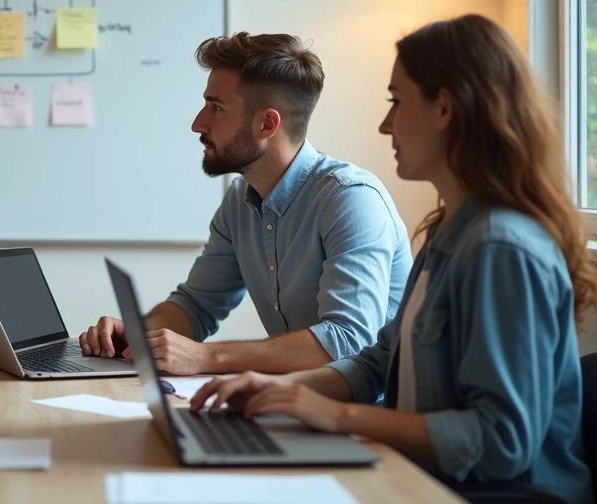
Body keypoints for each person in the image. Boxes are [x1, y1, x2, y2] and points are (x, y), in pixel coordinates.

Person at [190, 15, 595, 503]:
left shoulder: (500, 249)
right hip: (423, 477)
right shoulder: (449, 230)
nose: (385, 125)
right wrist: (283, 390)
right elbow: (381, 360)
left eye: (396, 101)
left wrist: (338, 415)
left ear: (443, 108)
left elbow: (501, 442)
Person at [80, 32, 412, 374]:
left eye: (216, 108)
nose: (197, 124)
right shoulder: (240, 200)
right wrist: (136, 334)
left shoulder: (351, 200)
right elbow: (196, 305)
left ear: (266, 124)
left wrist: (207, 357)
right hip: (288, 398)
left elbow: (348, 341)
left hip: (364, 407)